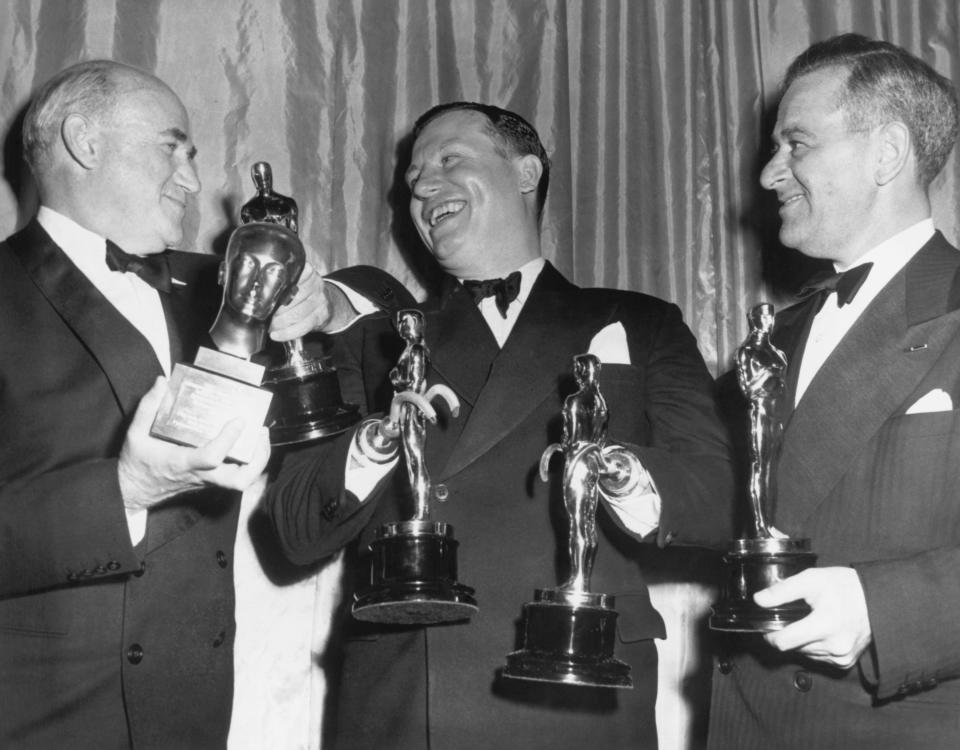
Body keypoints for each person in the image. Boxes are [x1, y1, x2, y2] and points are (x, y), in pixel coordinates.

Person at [265, 101, 735, 749]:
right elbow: (294, 527)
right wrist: (374, 445)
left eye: (449, 160)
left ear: (525, 171)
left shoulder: (641, 321)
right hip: (407, 701)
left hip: (579, 695)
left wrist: (624, 476)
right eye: (412, 182)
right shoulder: (372, 341)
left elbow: (718, 500)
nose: (424, 187)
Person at [0, 59, 410, 749]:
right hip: (35, 718)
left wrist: (331, 302)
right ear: (85, 141)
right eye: (173, 147)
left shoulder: (223, 285)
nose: (193, 180)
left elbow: (399, 319)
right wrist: (127, 490)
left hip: (192, 716)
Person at [708, 33, 960, 749]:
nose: (766, 174)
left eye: (796, 144)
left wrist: (882, 607)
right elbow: (710, 492)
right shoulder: (772, 342)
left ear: (887, 154)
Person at [737, 303, 787, 538]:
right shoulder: (747, 350)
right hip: (759, 411)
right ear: (753, 319)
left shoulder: (778, 353)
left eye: (770, 316)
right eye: (763, 316)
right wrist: (770, 373)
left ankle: (770, 524)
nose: (768, 321)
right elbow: (748, 388)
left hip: (777, 414)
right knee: (759, 468)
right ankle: (760, 527)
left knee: (773, 471)